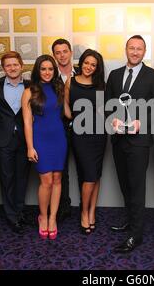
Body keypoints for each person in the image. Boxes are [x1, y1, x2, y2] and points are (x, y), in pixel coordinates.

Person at [105, 35, 154, 253]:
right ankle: (131, 221)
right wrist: (112, 118)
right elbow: (108, 104)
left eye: (140, 49)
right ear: (126, 49)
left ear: (144, 51)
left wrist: (142, 122)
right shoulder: (114, 75)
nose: (135, 52)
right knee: (124, 184)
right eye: (132, 48)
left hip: (139, 140)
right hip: (119, 138)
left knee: (137, 186)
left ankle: (136, 235)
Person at [21, 55, 67, 240]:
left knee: (57, 179)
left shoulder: (59, 88)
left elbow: (67, 112)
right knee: (46, 181)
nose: (47, 72)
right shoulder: (29, 91)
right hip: (40, 140)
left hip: (59, 139)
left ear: (54, 71)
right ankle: (43, 216)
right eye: (43, 69)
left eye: (50, 69)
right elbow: (27, 123)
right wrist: (30, 147)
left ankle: (53, 218)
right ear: (37, 71)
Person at [64, 49, 106, 235]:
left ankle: (91, 212)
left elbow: (105, 109)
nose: (89, 67)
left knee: (95, 176)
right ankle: (83, 213)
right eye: (86, 63)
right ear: (81, 63)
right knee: (89, 175)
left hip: (99, 134)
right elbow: (65, 104)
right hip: (80, 135)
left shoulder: (101, 85)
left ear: (97, 68)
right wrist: (72, 117)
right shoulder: (70, 81)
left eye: (93, 65)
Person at [0, 51, 31, 233]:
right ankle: (11, 215)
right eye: (8, 65)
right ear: (3, 68)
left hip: (24, 140)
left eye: (15, 64)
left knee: (22, 178)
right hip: (3, 140)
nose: (12, 68)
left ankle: (20, 211)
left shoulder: (31, 86)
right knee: (7, 178)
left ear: (21, 66)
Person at [52, 38, 77, 222]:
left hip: (81, 128)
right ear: (54, 56)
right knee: (61, 170)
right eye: (58, 52)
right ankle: (63, 207)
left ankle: (86, 208)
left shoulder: (83, 72)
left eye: (65, 51)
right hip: (58, 129)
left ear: (71, 52)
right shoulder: (49, 76)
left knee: (85, 167)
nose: (62, 55)